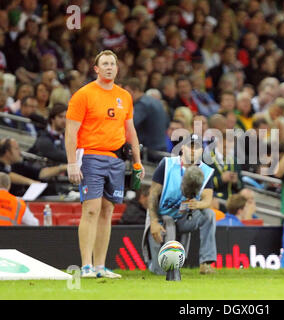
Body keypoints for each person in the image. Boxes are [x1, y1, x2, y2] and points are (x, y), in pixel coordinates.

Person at [65, 50, 144, 279]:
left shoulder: (124, 96)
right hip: (90, 155)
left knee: (107, 211)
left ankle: (100, 266)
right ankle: (86, 266)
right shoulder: (84, 94)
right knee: (91, 209)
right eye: (105, 64)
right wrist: (72, 163)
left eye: (112, 64)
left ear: (117, 69)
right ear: (96, 69)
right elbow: (71, 131)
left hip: (116, 158)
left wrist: (137, 161)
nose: (109, 67)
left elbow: (130, 130)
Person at [143, 133, 216, 275]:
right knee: (162, 272)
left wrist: (198, 205)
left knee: (209, 215)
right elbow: (152, 195)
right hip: (163, 216)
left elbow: (208, 200)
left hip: (184, 217)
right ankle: (154, 265)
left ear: (202, 151)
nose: (194, 151)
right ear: (182, 148)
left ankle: (206, 263)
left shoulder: (206, 171)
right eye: (190, 147)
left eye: (198, 148)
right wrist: (154, 221)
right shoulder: (167, 164)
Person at [0, 137, 67, 196]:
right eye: (16, 149)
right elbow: (6, 175)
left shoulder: (18, 165)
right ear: (7, 152)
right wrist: (31, 182)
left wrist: (62, 168)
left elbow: (41, 173)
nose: (20, 152)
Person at [123, 77, 169, 162]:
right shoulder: (156, 102)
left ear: (135, 90)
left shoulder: (142, 104)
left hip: (149, 152)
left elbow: (131, 124)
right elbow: (167, 123)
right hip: (161, 147)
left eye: (127, 92)